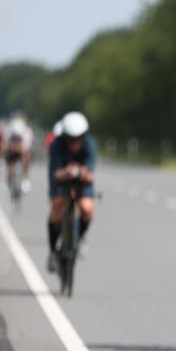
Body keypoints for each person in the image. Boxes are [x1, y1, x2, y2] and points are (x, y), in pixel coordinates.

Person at [46, 112, 97, 272]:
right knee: (57, 205)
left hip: (82, 181)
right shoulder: (57, 145)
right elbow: (55, 173)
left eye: (79, 138)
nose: (75, 142)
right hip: (62, 180)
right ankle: (53, 251)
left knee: (87, 208)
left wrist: (83, 173)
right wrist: (65, 172)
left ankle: (79, 237)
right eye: (71, 139)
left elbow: (91, 175)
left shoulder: (90, 145)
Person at [4, 117, 34, 193]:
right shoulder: (8, 132)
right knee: (9, 165)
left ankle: (26, 178)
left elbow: (26, 148)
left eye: (18, 138)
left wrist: (21, 150)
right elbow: (5, 146)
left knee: (27, 158)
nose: (17, 140)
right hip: (11, 151)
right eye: (15, 138)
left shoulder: (27, 133)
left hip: (22, 151)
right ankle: (9, 179)